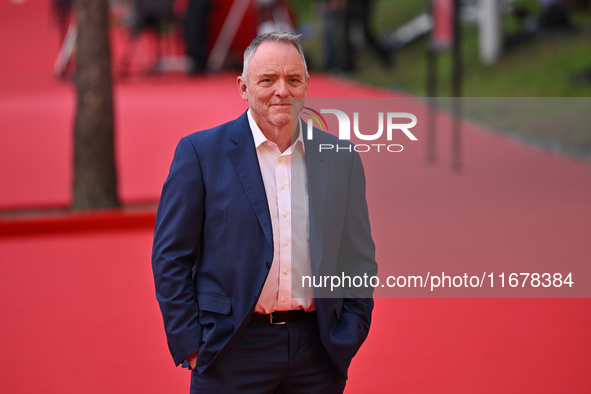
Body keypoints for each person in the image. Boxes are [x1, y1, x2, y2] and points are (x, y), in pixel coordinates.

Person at [152, 31, 377, 393]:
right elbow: (171, 257)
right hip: (230, 349)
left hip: (317, 352)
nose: (282, 91)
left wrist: (348, 332)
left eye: (293, 79)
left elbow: (357, 258)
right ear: (243, 87)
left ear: (307, 84)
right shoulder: (199, 153)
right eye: (268, 79)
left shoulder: (341, 157)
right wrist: (191, 344)